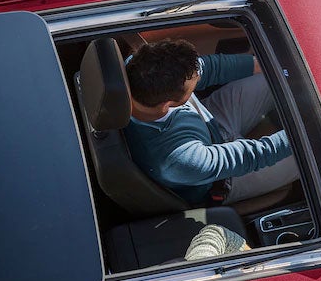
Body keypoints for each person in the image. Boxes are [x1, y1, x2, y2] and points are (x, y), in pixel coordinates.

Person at [124, 39, 299, 205]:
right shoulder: (178, 160)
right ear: (168, 104)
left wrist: (270, 65)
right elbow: (255, 155)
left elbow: (207, 68)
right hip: (223, 178)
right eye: (194, 84)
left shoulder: (137, 70)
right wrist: (304, 129)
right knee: (309, 153)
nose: (200, 75)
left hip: (211, 121)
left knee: (282, 77)